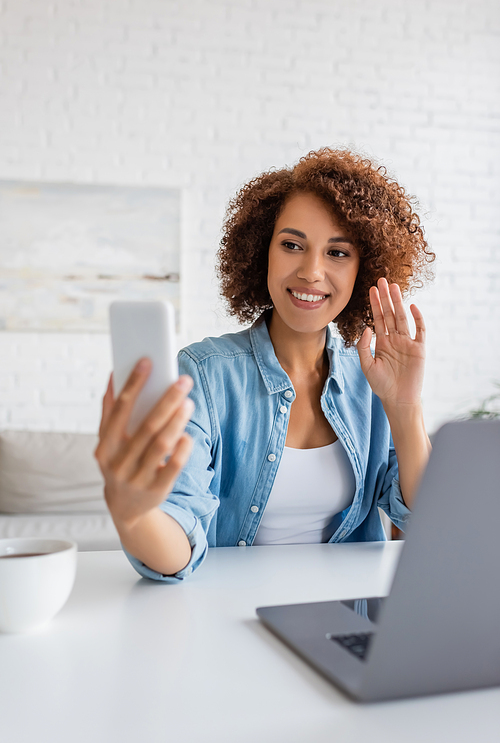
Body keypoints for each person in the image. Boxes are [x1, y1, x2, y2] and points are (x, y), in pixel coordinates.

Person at [95, 147, 435, 582]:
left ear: (363, 270)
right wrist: (133, 515)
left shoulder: (373, 375)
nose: (312, 271)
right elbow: (176, 546)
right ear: (263, 252)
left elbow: (423, 527)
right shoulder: (205, 374)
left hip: (346, 616)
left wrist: (404, 407)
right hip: (233, 620)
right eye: (292, 245)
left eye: (337, 253)